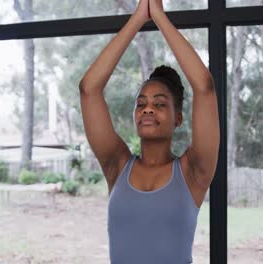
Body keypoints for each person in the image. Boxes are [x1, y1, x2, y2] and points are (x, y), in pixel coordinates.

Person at [79, 0, 219, 263]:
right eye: (141, 103)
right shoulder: (117, 165)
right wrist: (139, 16)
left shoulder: (193, 171)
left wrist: (159, 17)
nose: (147, 109)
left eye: (159, 104)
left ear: (178, 118)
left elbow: (205, 87)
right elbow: (89, 90)